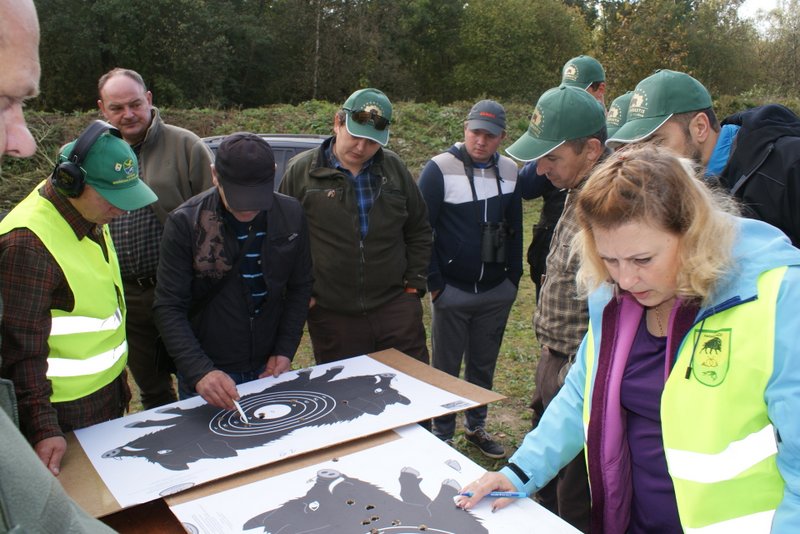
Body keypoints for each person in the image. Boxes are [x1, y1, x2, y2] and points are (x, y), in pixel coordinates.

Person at [459, 145, 800, 533]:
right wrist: (520, 471)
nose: (625, 279)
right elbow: (582, 392)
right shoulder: (614, 298)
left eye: (642, 260)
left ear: (692, 232)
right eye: (610, 259)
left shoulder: (780, 298)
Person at [506, 85, 608, 532]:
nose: (541, 169)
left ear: (591, 150)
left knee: (573, 497)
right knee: (545, 486)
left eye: (551, 157)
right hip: (555, 359)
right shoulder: (573, 186)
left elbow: (615, 308)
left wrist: (571, 375)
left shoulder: (608, 204)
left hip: (578, 374)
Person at [153, 132, 312, 410]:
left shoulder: (291, 213)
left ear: (273, 172)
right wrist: (199, 371)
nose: (248, 208)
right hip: (209, 371)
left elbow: (300, 287)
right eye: (238, 196)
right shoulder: (185, 222)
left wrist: (285, 349)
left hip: (267, 366)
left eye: (257, 196)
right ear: (215, 175)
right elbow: (169, 306)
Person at [279, 88, 431, 364]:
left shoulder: (394, 169)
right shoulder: (301, 172)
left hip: (395, 306)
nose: (361, 148)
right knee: (345, 388)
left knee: (412, 383)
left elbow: (419, 228)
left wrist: (414, 286)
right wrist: (301, 294)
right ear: (338, 123)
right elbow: (282, 239)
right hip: (332, 312)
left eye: (371, 142)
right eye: (355, 136)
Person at [98, 67, 213, 409]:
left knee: (199, 378)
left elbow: (213, 218)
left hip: (180, 291)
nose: (128, 114)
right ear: (102, 108)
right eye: (117, 108)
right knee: (152, 390)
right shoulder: (93, 153)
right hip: (126, 296)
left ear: (148, 99)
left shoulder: (186, 145)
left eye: (135, 104)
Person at [417, 100, 522, 458]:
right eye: (475, 132)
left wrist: (512, 279)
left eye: (490, 135)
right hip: (452, 290)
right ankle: (442, 432)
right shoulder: (439, 169)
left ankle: (476, 426)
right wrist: (435, 285)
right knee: (445, 367)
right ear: (465, 128)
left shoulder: (509, 171)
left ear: (502, 137)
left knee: (483, 364)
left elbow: (516, 228)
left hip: (495, 290)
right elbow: (421, 230)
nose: (481, 141)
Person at [607, 69, 800, 246]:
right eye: (640, 146)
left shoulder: (789, 164)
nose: (648, 157)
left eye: (657, 142)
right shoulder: (682, 186)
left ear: (700, 127)